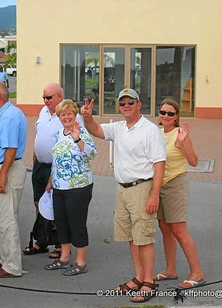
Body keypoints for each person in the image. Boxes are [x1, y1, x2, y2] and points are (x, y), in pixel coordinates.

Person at [81, 88, 166, 303]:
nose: (126, 106)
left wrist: (154, 194)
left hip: (142, 188)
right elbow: (96, 130)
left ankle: (148, 282)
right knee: (131, 236)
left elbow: (159, 164)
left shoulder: (150, 130)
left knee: (144, 237)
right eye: (122, 103)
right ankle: (138, 277)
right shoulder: (119, 128)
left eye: (130, 102)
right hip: (122, 190)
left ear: (139, 104)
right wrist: (87, 116)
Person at [23, 82, 83, 259]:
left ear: (59, 96)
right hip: (39, 165)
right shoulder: (43, 112)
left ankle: (60, 244)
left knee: (58, 206)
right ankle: (41, 240)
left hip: (57, 167)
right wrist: (35, 152)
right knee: (39, 203)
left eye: (48, 97)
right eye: (43, 97)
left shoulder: (67, 115)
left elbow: (77, 141)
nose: (45, 101)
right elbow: (40, 134)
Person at [154, 98, 205, 289]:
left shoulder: (180, 134)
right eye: (163, 112)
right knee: (165, 229)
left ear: (176, 117)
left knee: (179, 230)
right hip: (159, 185)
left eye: (170, 113)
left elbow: (194, 161)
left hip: (175, 184)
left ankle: (197, 273)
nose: (166, 116)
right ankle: (170, 269)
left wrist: (183, 143)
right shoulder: (157, 133)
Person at [44, 99, 97, 275]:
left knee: (77, 223)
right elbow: (56, 160)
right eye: (63, 114)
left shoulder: (81, 132)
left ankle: (80, 262)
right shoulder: (59, 134)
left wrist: (78, 139)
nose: (66, 117)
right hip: (60, 185)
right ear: (59, 117)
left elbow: (92, 154)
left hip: (79, 187)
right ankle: (64, 258)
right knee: (62, 223)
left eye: (69, 113)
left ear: (75, 115)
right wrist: (51, 180)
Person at [0, 81, 27, 278]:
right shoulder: (9, 113)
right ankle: (6, 260)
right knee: (6, 218)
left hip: (7, 169)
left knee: (7, 220)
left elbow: (11, 149)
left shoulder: (9, 116)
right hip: (7, 168)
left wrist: (2, 176)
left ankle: (11, 266)